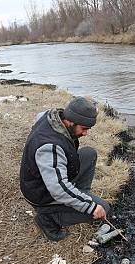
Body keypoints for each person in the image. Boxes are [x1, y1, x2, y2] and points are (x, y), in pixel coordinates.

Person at [19, 96, 111, 241]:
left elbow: (39, 117)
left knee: (88, 154)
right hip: (41, 193)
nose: (86, 133)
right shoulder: (50, 147)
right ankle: (47, 218)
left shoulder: (51, 116)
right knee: (103, 208)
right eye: (84, 128)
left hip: (48, 179)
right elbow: (58, 189)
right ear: (70, 122)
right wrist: (91, 207)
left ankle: (79, 194)